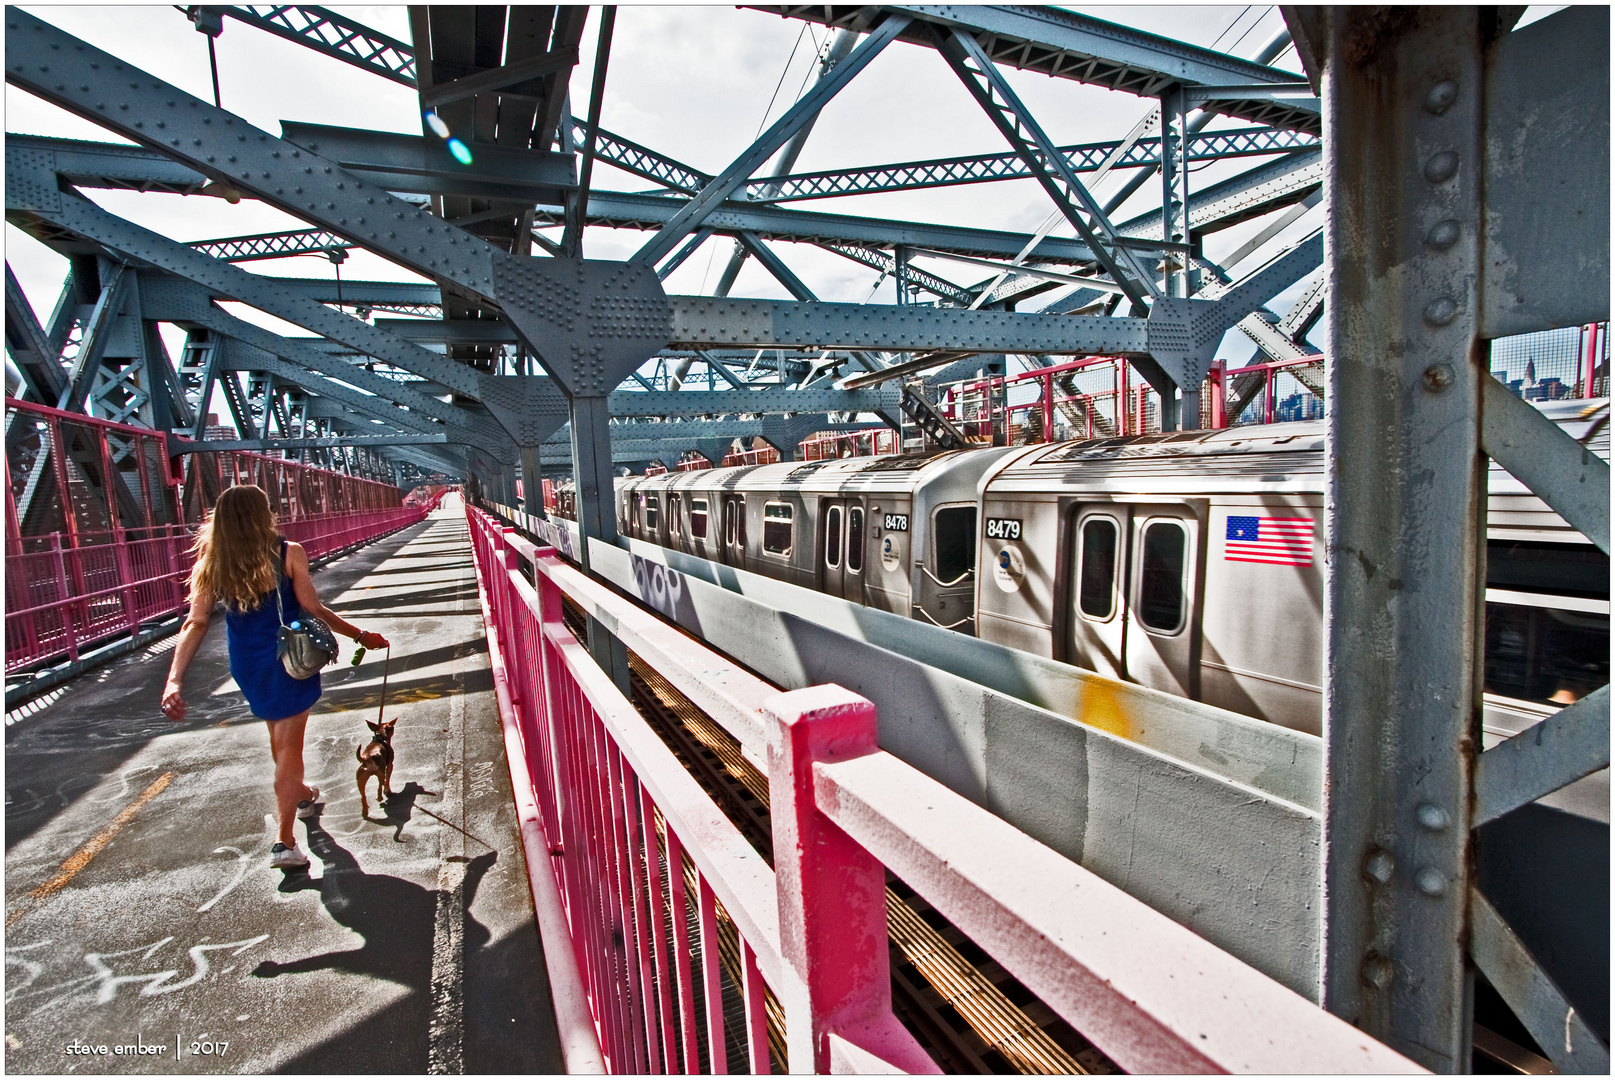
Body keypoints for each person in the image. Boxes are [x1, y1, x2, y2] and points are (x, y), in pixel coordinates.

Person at [161, 485, 389, 869]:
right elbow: (312, 608)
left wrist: (174, 680)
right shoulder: (287, 552)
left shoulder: (212, 558)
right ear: (261, 513)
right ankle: (284, 843)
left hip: (247, 663)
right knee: (289, 748)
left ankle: (301, 795)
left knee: (279, 739)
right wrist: (360, 635)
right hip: (289, 659)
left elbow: (195, 622)